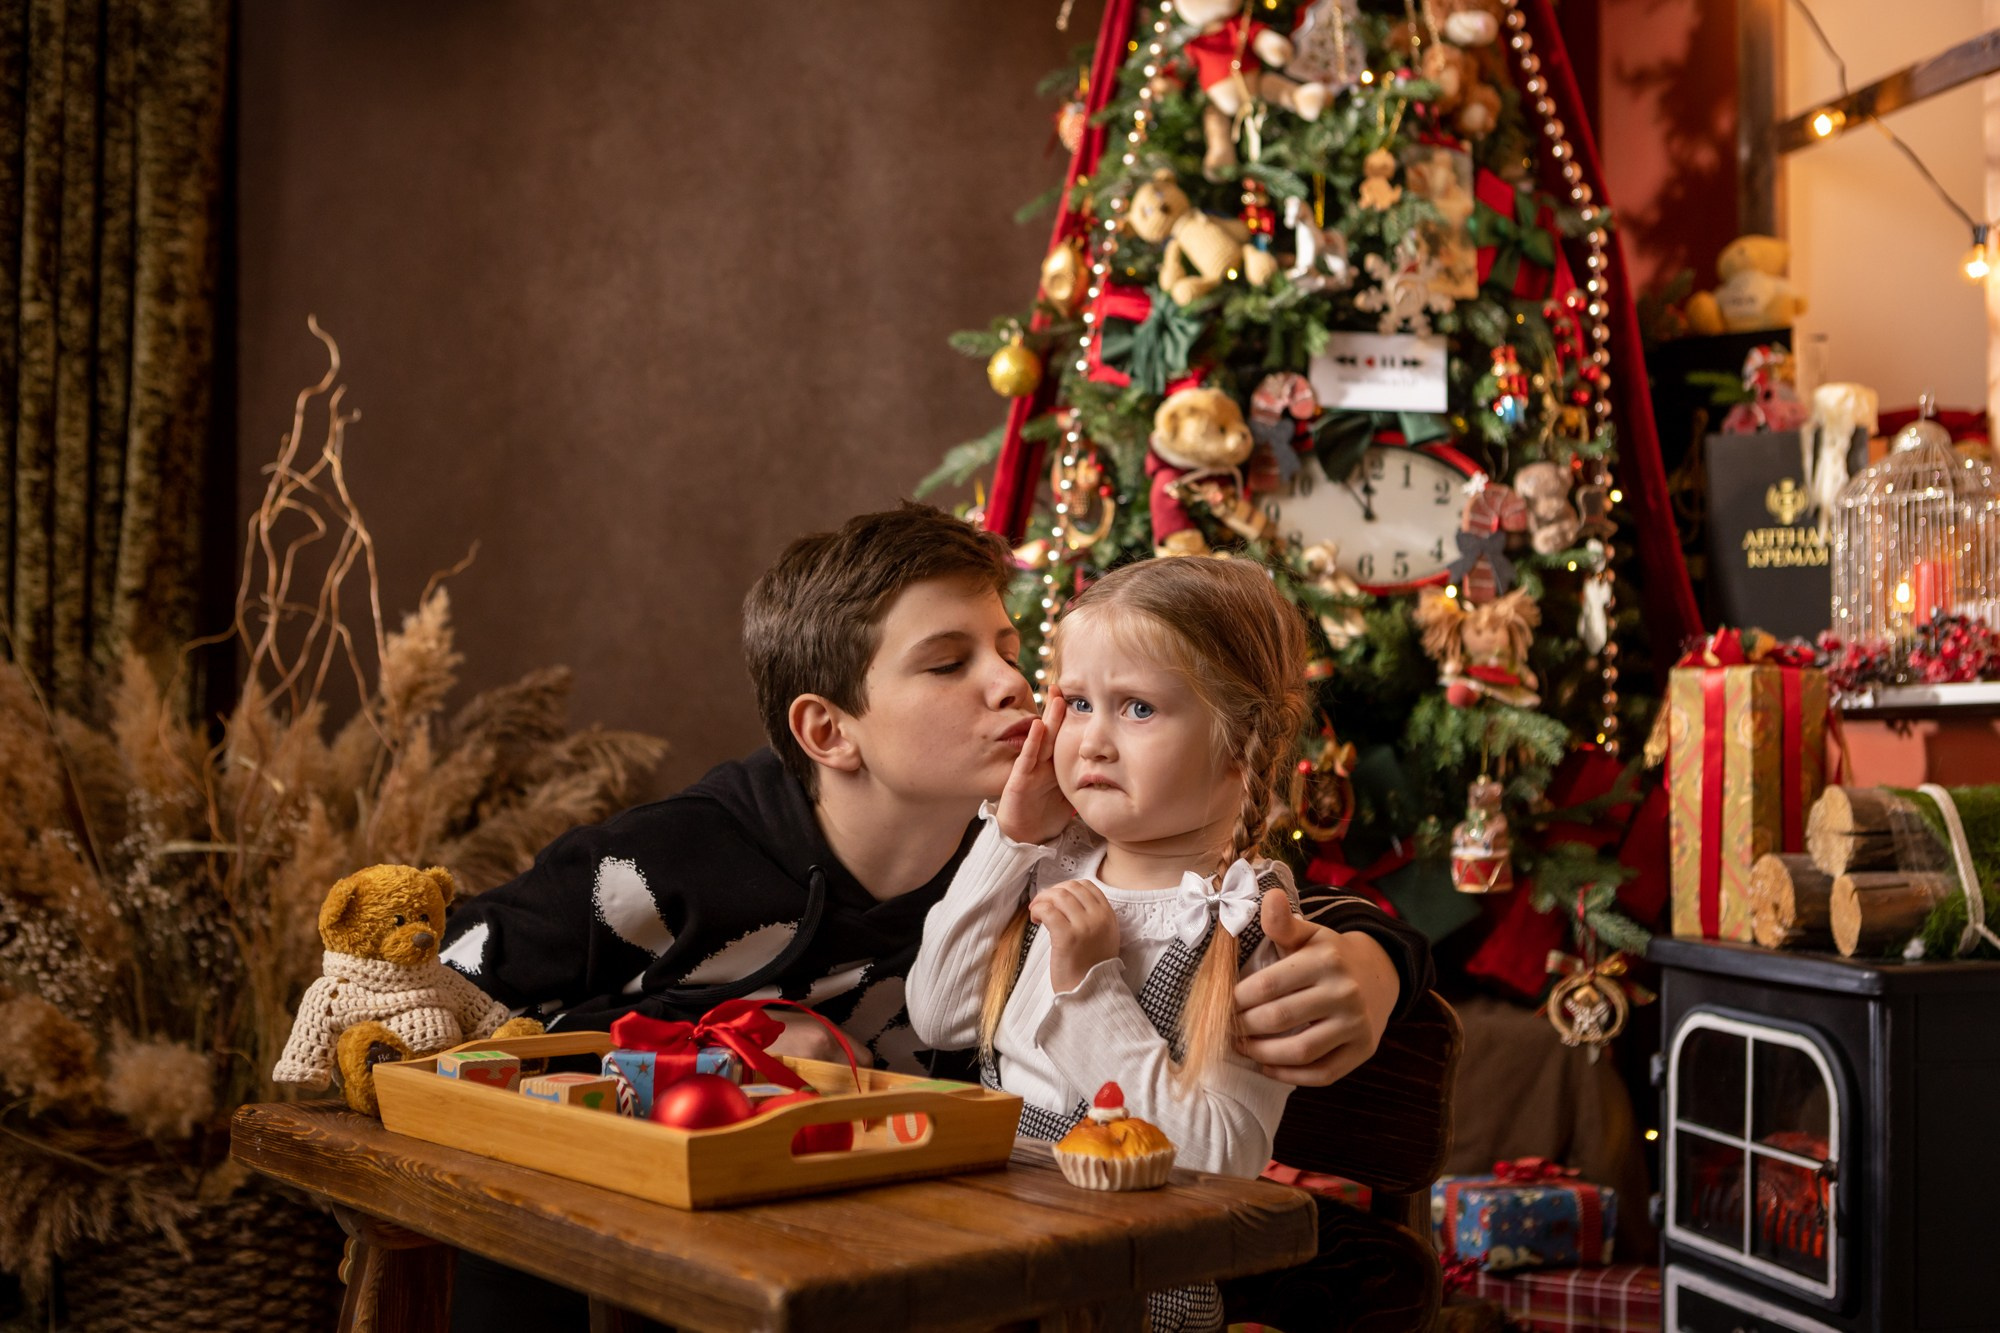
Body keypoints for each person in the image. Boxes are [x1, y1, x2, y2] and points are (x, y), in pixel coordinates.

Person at [440, 504, 1432, 1331]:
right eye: (947, 663)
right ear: (829, 730)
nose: (1014, 688)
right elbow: (450, 976)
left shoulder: (1020, 841)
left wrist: (1376, 959)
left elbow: (1217, 888)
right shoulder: (672, 860)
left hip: (970, 1264)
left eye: (1008, 648)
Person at [907, 556, 1313, 1333]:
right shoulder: (1052, 862)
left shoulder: (1242, 918)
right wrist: (1014, 834)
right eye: (1078, 701)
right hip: (995, 1258)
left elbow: (1222, 1155)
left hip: (1131, 1291)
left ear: (1240, 741)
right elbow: (940, 1014)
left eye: (1136, 709)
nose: (1090, 741)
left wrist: (1091, 986)